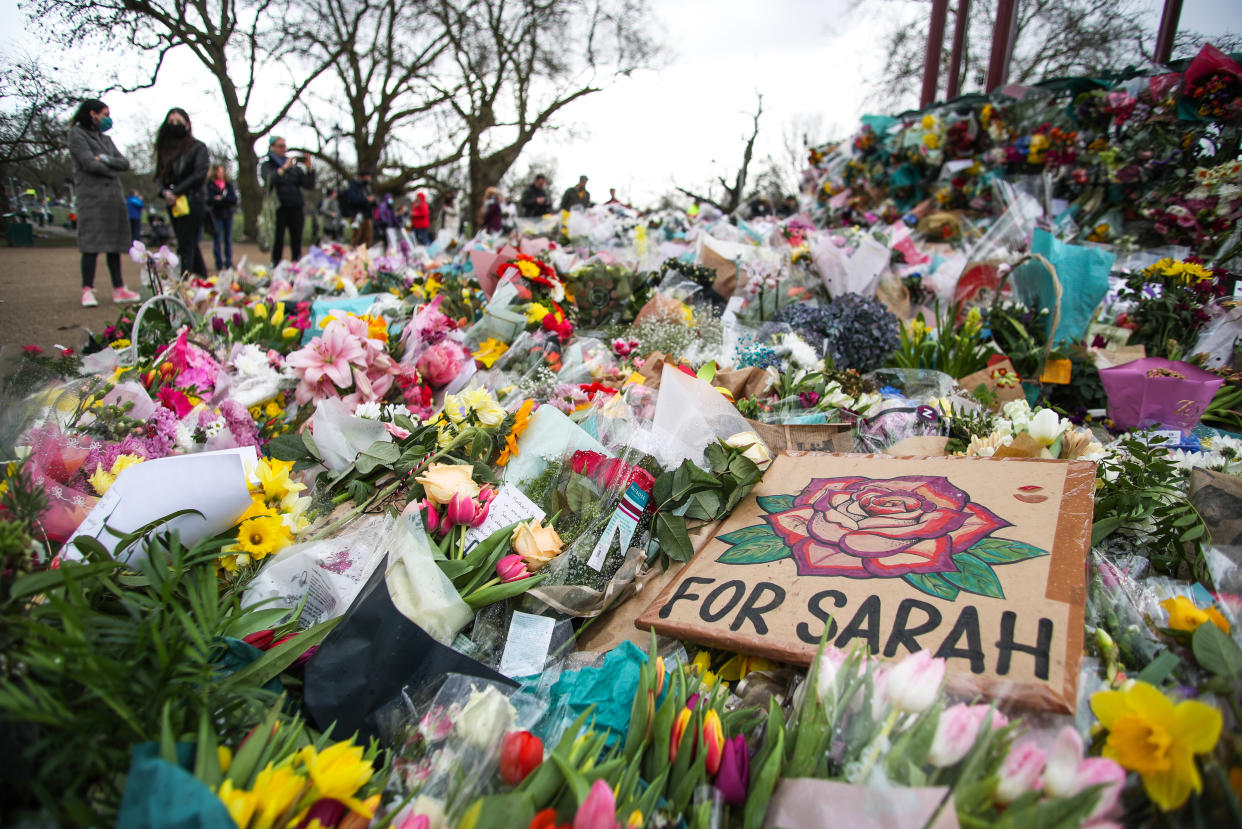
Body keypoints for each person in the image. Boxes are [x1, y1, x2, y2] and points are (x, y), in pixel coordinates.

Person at [68, 98, 141, 307]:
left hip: (112, 198)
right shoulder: (76, 134)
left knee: (114, 244)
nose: (108, 119)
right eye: (105, 114)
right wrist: (105, 163)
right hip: (91, 197)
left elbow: (124, 163)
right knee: (91, 244)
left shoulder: (105, 140)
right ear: (93, 114)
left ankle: (119, 288)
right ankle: (87, 289)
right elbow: (89, 163)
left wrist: (106, 160)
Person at [154, 107, 209, 277]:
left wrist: (177, 191)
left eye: (178, 122)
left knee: (186, 243)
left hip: (192, 199)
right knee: (188, 241)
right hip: (173, 202)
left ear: (187, 125)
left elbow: (199, 174)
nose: (174, 125)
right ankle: (201, 277)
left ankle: (185, 281)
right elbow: (159, 176)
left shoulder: (197, 147)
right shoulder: (164, 151)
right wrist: (165, 193)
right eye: (171, 122)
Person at [260, 136, 315, 266]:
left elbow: (309, 185)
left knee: (297, 240)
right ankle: (276, 265)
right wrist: (284, 168)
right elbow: (269, 180)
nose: (284, 149)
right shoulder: (267, 165)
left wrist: (309, 169)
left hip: (296, 207)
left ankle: (297, 265)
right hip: (279, 209)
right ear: (272, 147)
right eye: (280, 146)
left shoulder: (294, 168)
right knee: (277, 241)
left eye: (285, 146)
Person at [205, 163, 238, 271]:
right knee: (217, 239)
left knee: (228, 239)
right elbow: (209, 200)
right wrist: (223, 200)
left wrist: (221, 199)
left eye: (222, 171)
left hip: (228, 215)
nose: (221, 173)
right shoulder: (210, 184)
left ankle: (228, 262)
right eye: (219, 171)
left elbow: (233, 200)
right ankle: (218, 263)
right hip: (216, 215)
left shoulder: (228, 185)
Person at [342, 170, 376, 247]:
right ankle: (353, 252)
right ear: (363, 177)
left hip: (366, 215)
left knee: (368, 236)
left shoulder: (366, 188)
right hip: (356, 215)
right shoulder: (353, 186)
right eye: (368, 177)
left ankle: (365, 253)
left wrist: (373, 201)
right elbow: (352, 199)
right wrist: (366, 199)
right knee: (356, 235)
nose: (369, 179)